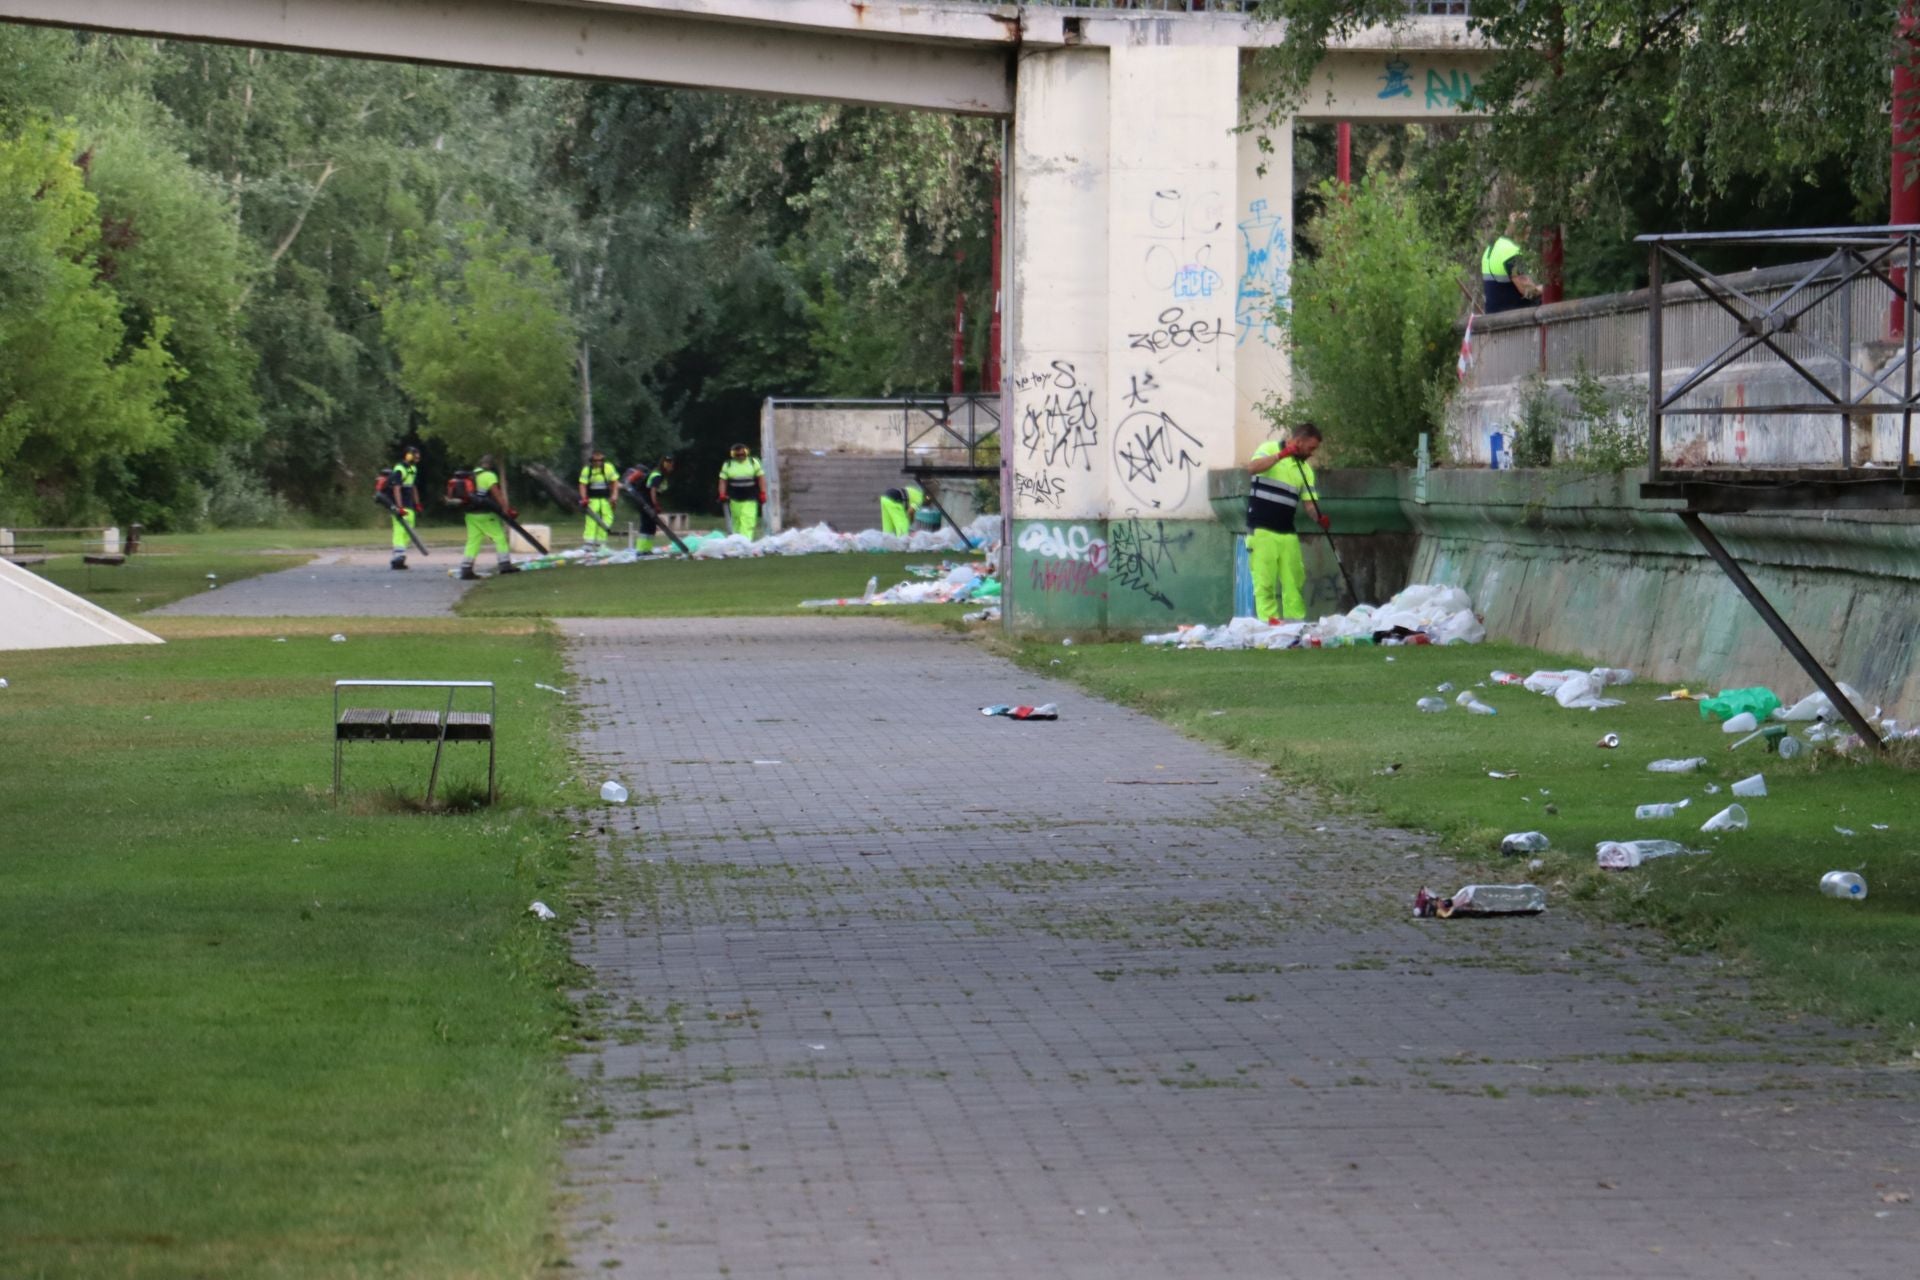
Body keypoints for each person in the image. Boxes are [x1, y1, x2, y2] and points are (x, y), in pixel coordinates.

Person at [1244, 422, 1327, 624]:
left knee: (1294, 582)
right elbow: (1252, 468)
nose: (1312, 453)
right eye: (1311, 448)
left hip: (1287, 532)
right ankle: (1269, 625)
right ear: (1299, 441)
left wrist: (1319, 517)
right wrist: (1281, 455)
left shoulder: (1305, 470)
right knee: (1265, 584)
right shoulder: (1268, 449)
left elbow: (1309, 504)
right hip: (1261, 530)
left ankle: (1295, 625)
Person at [460, 453, 521, 580]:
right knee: (499, 537)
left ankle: (466, 569)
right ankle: (505, 565)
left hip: (470, 515)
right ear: (491, 466)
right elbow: (496, 494)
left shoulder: (471, 476)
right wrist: (505, 509)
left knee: (473, 541)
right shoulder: (489, 476)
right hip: (485, 514)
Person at [1482, 212, 1543, 314]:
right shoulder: (1511, 252)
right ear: (1520, 232)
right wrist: (1546, 288)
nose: (1527, 237)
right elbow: (1527, 291)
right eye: (1527, 233)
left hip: (1492, 316)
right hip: (1514, 316)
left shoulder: (1490, 249)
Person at [374, 443, 423, 570]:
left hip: (410, 506)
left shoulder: (412, 468)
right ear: (408, 456)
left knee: (408, 531)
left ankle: (399, 556)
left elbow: (413, 486)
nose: (417, 458)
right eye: (414, 455)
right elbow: (397, 488)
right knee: (399, 530)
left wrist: (417, 503)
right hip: (401, 506)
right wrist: (399, 507)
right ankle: (398, 557)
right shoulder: (399, 469)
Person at [621, 455, 674, 553]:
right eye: (669, 464)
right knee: (646, 524)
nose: (671, 467)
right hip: (644, 500)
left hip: (646, 500)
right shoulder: (658, 475)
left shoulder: (660, 474)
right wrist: (655, 505)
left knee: (651, 525)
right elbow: (652, 491)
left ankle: (647, 549)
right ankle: (641, 549)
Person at [717, 443, 766, 540]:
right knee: (737, 520)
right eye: (737, 455)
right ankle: (736, 541)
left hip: (750, 496)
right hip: (734, 497)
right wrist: (722, 494)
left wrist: (762, 493)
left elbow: (761, 478)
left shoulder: (753, 462)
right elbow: (723, 481)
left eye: (742, 454)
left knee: (747, 519)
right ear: (733, 454)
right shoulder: (728, 464)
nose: (740, 457)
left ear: (746, 453)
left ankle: (745, 542)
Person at [577, 448, 620, 552]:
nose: (598, 462)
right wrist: (584, 499)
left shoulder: (608, 468)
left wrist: (614, 496)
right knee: (591, 520)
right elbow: (582, 485)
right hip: (592, 500)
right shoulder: (587, 470)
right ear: (591, 460)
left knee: (607, 519)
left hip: (606, 500)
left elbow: (615, 482)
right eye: (595, 460)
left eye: (600, 460)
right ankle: (589, 544)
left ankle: (601, 544)